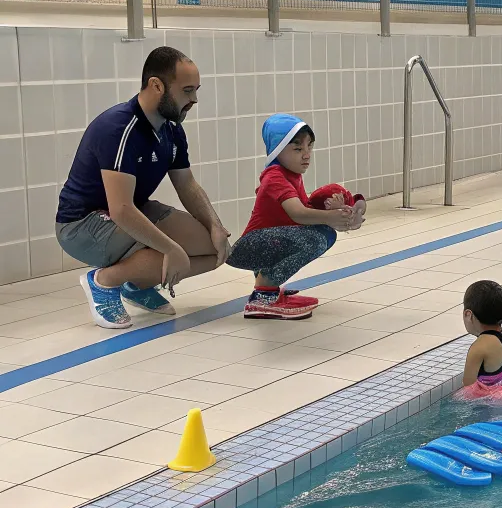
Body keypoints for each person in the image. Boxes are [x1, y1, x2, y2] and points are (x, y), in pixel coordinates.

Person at [56, 46, 231, 329]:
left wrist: (215, 225)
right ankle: (104, 281)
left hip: (130, 211)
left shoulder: (171, 129)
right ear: (156, 85)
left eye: (196, 90)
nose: (194, 100)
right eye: (187, 91)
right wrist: (172, 249)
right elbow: (121, 210)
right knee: (168, 252)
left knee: (216, 249)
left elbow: (187, 184)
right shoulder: (119, 128)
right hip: (81, 223)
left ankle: (137, 285)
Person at [226, 114, 365, 320]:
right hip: (252, 246)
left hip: (264, 242)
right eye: (298, 148)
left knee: (322, 230)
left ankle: (270, 291)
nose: (306, 154)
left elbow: (306, 208)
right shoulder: (275, 176)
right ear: (277, 149)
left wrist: (348, 209)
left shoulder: (291, 176)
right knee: (317, 237)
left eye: (310, 147)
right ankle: (264, 294)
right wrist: (330, 218)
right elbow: (298, 213)